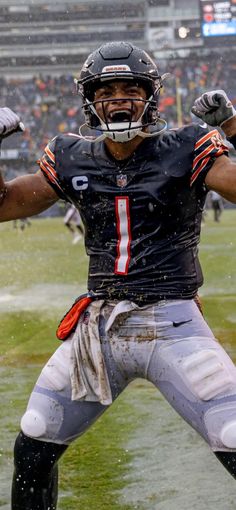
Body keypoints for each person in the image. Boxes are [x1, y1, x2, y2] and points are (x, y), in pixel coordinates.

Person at [1, 43, 236, 510]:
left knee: (233, 435)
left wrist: (231, 126)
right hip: (98, 330)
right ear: (90, 100)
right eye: (106, 90)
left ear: (152, 97)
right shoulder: (71, 155)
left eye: (131, 88)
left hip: (172, 323)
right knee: (34, 440)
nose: (119, 99)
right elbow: (4, 204)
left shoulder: (187, 146)